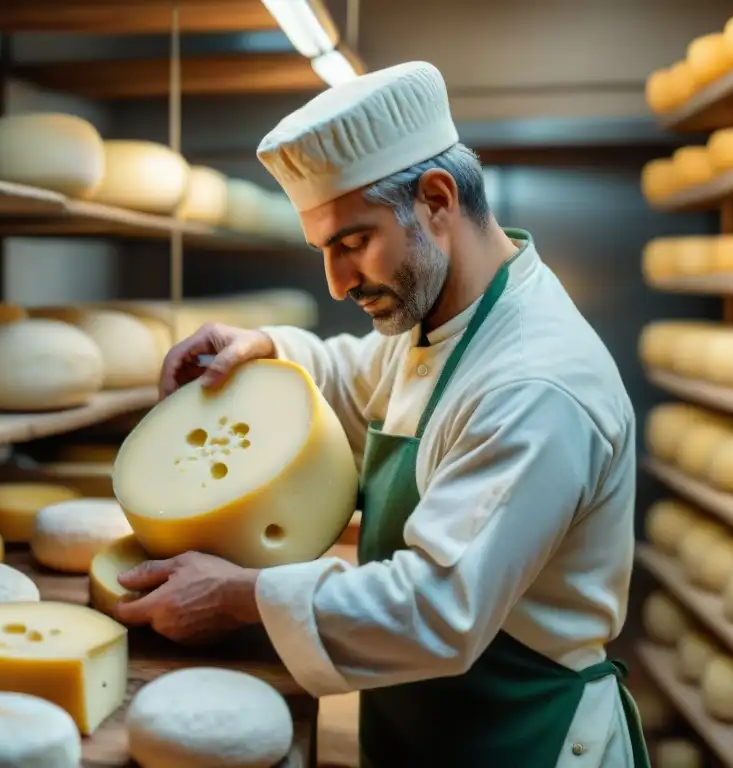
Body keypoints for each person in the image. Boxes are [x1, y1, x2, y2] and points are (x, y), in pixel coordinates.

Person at [114, 61, 648, 767]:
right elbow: (357, 377)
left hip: (522, 733)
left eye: (352, 243)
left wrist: (244, 596)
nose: (336, 284)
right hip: (428, 722)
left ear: (436, 200)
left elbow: (438, 608)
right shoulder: (444, 322)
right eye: (323, 252)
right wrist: (262, 346)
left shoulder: (535, 384)